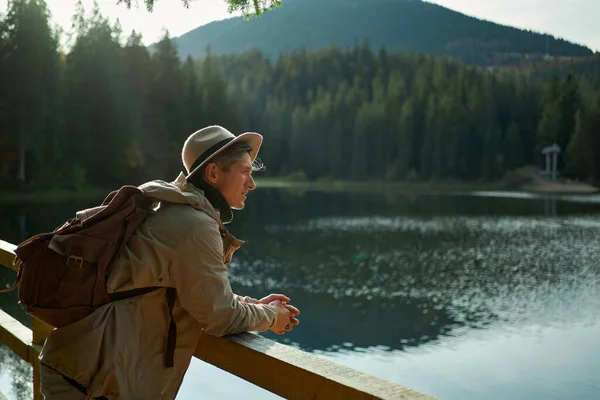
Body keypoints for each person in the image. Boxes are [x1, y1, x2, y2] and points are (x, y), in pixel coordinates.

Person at [39, 125, 300, 399]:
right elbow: (220, 317)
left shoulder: (173, 210)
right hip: (89, 382)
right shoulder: (194, 225)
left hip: (83, 371)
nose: (252, 183)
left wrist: (249, 305)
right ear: (213, 173)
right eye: (244, 172)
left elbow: (193, 289)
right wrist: (271, 316)